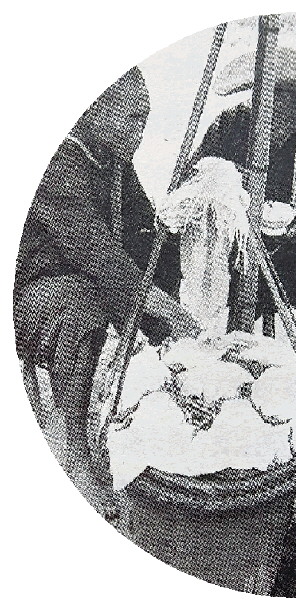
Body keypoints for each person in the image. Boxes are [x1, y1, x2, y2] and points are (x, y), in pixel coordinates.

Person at [13, 66, 199, 512]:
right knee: (86, 308)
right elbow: (103, 257)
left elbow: (141, 235)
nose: (140, 131)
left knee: (152, 264)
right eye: (132, 118)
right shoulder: (57, 164)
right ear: (95, 109)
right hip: (31, 297)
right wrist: (172, 313)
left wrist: (172, 237)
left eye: (145, 120)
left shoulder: (115, 164)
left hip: (88, 284)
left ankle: (164, 423)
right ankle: (73, 453)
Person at [183, 47, 296, 362]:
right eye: (274, 101)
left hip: (286, 265)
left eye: (293, 105)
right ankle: (196, 354)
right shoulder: (228, 127)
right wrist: (225, 183)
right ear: (257, 99)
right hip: (227, 260)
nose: (282, 116)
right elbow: (190, 183)